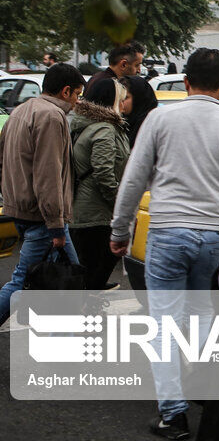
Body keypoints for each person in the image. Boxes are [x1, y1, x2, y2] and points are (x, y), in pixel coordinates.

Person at [109, 48, 219, 440]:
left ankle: (172, 413)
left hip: (168, 231)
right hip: (215, 236)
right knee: (206, 317)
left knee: (164, 323)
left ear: (186, 81)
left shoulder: (159, 119)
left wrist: (120, 231)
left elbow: (134, 180)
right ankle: (209, 393)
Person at [0, 64, 86, 323]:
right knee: (22, 281)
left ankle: (63, 339)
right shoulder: (51, 116)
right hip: (42, 217)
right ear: (66, 91)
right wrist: (56, 227)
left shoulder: (21, 110)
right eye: (77, 95)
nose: (76, 102)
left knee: (70, 277)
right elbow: (48, 175)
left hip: (22, 209)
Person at [69, 77, 131, 291]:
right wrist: (119, 204)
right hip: (95, 214)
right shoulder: (104, 129)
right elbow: (103, 172)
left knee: (89, 272)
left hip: (85, 211)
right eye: (122, 100)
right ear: (112, 101)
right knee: (96, 270)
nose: (124, 104)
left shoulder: (87, 124)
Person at [122, 75, 158, 148]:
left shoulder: (151, 125)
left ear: (138, 99)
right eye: (119, 98)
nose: (121, 102)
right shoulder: (122, 123)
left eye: (125, 98)